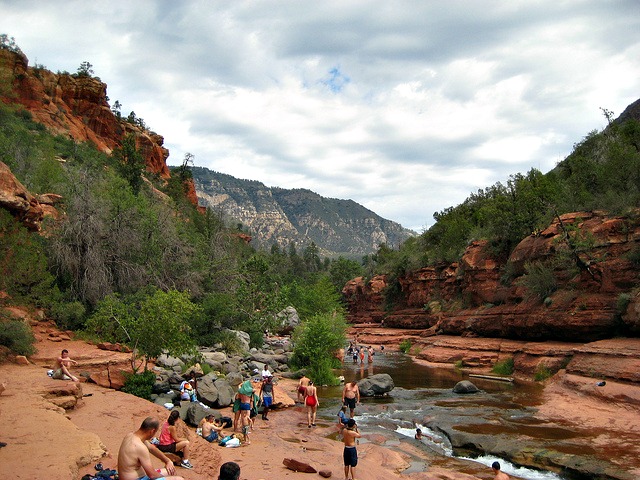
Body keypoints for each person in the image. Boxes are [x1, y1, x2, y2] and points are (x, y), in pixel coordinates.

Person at [117, 416, 184, 480]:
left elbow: (151, 448)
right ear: (152, 431)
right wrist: (163, 478)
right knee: (179, 479)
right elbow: (152, 475)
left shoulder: (130, 435)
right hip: (137, 478)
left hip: (131, 476)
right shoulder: (140, 447)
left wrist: (167, 461)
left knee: (171, 471)